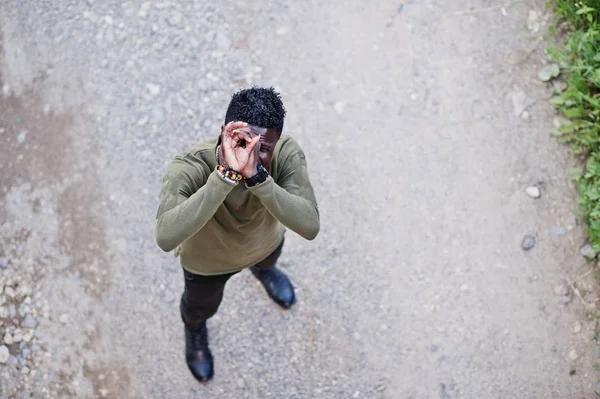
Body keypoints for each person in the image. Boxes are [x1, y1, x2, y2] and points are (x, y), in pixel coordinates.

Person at [155, 87, 320, 382]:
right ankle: (194, 331)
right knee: (200, 308)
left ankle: (264, 271)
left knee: (268, 262)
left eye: (264, 149)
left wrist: (258, 178)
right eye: (242, 142)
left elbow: (309, 226)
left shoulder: (286, 153)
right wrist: (223, 177)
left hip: (265, 242)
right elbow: (166, 237)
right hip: (208, 263)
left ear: (277, 142)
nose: (249, 157)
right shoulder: (189, 166)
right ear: (224, 132)